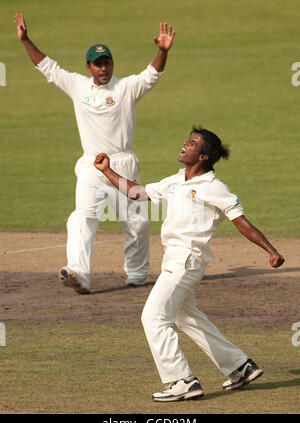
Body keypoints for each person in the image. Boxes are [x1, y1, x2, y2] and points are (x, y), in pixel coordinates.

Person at [93, 126, 285, 402]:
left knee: (153, 317)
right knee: (187, 317)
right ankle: (240, 367)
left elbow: (241, 221)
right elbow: (137, 192)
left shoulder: (214, 188)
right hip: (175, 257)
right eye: (188, 139)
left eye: (193, 143)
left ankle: (182, 380)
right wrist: (106, 170)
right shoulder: (176, 180)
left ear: (204, 156)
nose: (185, 144)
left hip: (186, 259)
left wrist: (271, 250)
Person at [14, 13, 175, 294]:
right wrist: (26, 40)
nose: (104, 68)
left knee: (136, 223)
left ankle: (136, 274)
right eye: (98, 64)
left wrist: (161, 51)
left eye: (107, 63)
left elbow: (152, 74)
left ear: (112, 64)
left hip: (122, 163)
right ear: (88, 67)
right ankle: (79, 274)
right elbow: (47, 67)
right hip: (91, 165)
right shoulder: (77, 85)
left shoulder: (125, 88)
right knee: (81, 217)